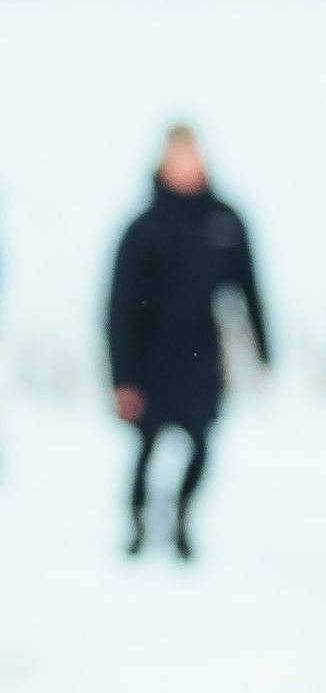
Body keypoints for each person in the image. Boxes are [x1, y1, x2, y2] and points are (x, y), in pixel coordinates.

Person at [107, 126, 269, 559]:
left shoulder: (224, 220)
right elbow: (118, 309)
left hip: (201, 356)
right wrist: (122, 376)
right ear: (163, 162)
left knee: (201, 442)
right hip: (150, 358)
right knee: (146, 444)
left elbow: (249, 290)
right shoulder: (142, 229)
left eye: (191, 157)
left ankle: (181, 515)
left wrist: (265, 351)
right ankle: (139, 521)